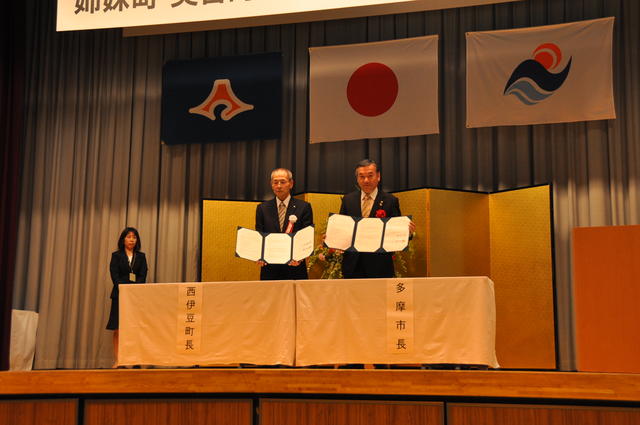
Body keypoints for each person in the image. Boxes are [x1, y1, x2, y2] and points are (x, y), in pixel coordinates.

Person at [340, 159, 415, 278]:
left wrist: (408, 233)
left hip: (380, 266)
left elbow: (397, 232)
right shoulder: (348, 200)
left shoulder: (390, 201)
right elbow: (342, 228)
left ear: (378, 176)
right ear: (357, 178)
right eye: (361, 176)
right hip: (353, 265)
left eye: (370, 176)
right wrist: (332, 238)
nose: (366, 180)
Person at [255, 168, 313, 280]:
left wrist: (300, 256)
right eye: (275, 182)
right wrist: (259, 254)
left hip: (295, 266)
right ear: (271, 184)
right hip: (269, 267)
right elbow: (259, 235)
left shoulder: (304, 207)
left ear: (291, 184)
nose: (279, 186)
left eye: (283, 182)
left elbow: (307, 236)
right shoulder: (262, 208)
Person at [106, 227, 148, 366]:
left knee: (135, 329)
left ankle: (136, 359)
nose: (132, 240)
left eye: (134, 237)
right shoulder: (116, 256)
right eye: (129, 237)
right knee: (118, 329)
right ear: (123, 239)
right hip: (119, 295)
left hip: (136, 297)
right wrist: (125, 289)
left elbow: (142, 276)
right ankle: (119, 360)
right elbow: (115, 276)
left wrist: (133, 290)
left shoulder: (141, 256)